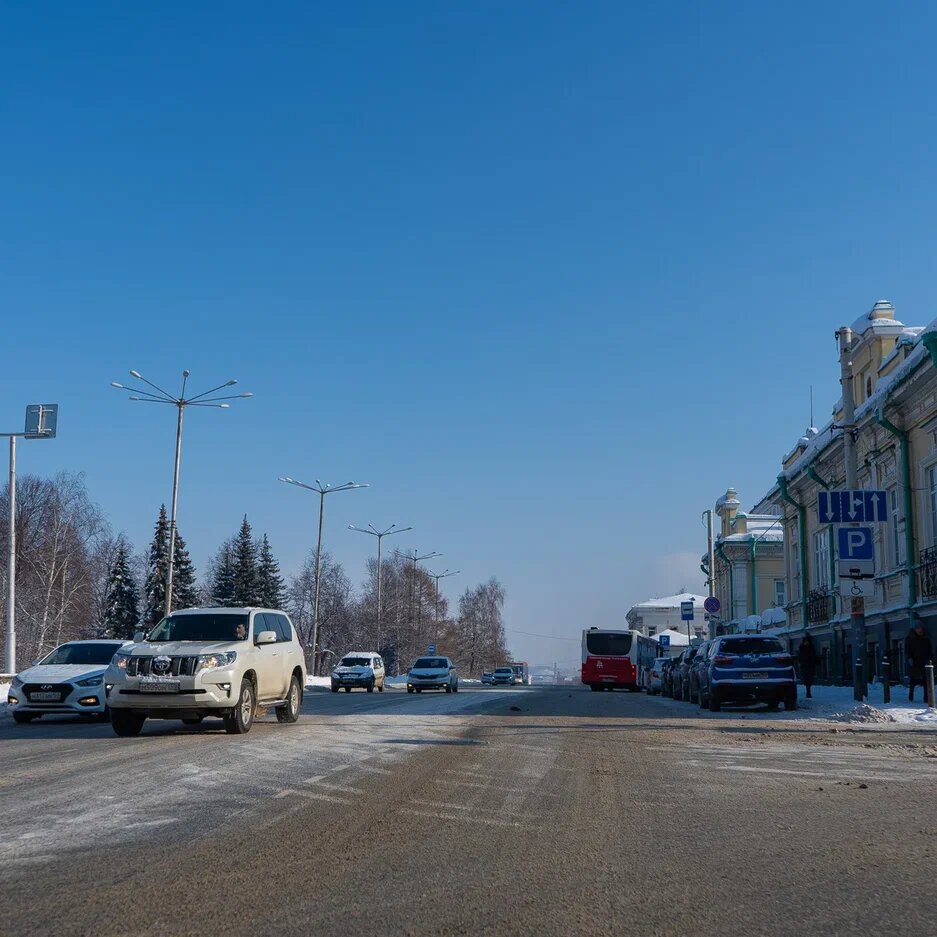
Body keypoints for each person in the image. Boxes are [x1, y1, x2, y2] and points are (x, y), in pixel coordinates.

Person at [906, 621, 934, 703]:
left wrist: (931, 660)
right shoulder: (910, 638)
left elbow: (929, 650)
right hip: (915, 663)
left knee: (926, 681)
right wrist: (909, 658)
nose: (919, 630)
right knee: (913, 681)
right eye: (917, 628)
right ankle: (910, 696)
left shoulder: (925, 638)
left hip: (925, 662)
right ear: (914, 629)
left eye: (920, 628)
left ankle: (926, 698)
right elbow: (908, 650)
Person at [797, 633, 817, 699]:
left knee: (809, 679)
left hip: (810, 666)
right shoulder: (802, 648)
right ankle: (808, 691)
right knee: (806, 679)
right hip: (805, 666)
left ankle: (808, 691)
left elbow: (813, 656)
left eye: (807, 642)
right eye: (805, 642)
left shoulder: (811, 648)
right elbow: (800, 656)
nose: (806, 643)